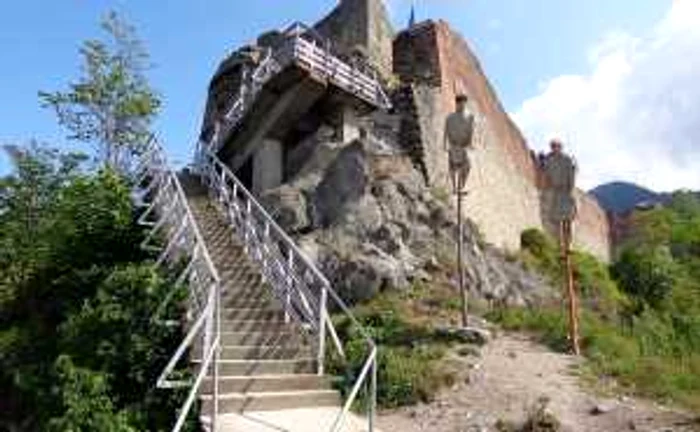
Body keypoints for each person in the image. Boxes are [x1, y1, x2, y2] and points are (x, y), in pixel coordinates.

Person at [543, 139, 578, 247]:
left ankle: (570, 244)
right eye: (552, 146)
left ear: (560, 147)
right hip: (557, 192)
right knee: (558, 221)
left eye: (556, 146)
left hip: (567, 192)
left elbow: (573, 174)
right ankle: (561, 243)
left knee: (568, 221)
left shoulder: (567, 159)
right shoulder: (549, 160)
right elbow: (546, 173)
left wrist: (571, 191)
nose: (554, 148)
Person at [444, 94, 476, 193]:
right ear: (456, 104)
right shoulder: (450, 117)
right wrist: (444, 145)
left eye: (463, 104)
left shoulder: (470, 116)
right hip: (453, 145)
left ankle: (462, 186)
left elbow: (471, 131)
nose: (462, 106)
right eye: (460, 104)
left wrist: (470, 143)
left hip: (464, 145)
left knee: (468, 166)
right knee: (452, 167)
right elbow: (445, 132)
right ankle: (454, 187)